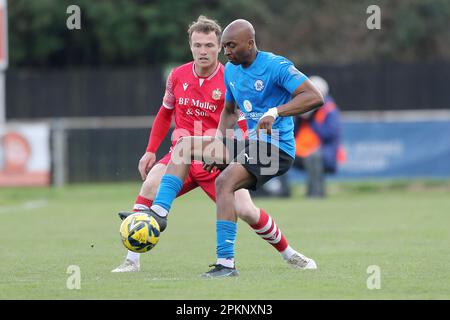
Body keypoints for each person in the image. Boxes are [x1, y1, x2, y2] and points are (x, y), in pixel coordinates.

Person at [112, 16, 314, 273]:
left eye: (210, 45)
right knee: (151, 182)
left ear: (218, 47)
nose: (203, 51)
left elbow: (241, 121)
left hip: (224, 156)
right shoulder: (178, 76)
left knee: (246, 210)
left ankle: (289, 254)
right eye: (198, 45)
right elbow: (166, 113)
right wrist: (150, 150)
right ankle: (132, 259)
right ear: (190, 46)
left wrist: (244, 147)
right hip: (184, 158)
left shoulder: (237, 72)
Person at [293, 75, 343, 198]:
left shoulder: (329, 109)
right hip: (300, 149)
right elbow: (292, 132)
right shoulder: (302, 106)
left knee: (313, 157)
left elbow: (330, 134)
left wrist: (312, 119)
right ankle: (281, 192)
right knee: (277, 153)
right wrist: (299, 117)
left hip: (324, 151)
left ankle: (315, 194)